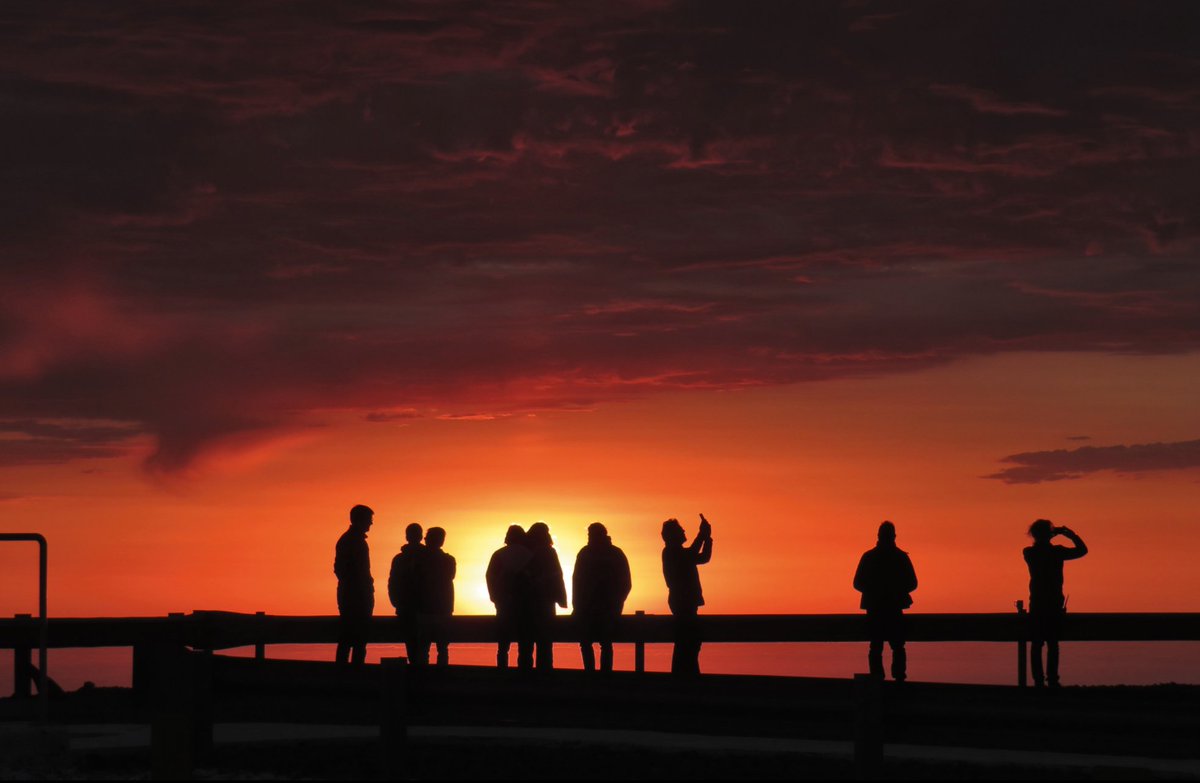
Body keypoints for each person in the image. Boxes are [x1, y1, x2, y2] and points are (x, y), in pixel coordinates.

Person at [1023, 519, 1088, 688]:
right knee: (1052, 643)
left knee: (1037, 644)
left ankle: (1038, 681)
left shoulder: (1029, 553)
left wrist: (1053, 533)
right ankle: (1052, 680)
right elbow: (1082, 550)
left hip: (1037, 602)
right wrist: (1070, 535)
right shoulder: (1057, 552)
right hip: (1053, 603)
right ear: (1050, 534)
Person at [853, 521, 918, 682]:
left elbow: (857, 583)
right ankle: (898, 680)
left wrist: (874, 591)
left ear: (878, 536)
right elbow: (912, 583)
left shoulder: (869, 557)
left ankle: (878, 681)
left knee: (877, 647)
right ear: (893, 536)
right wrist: (895, 591)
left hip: (875, 609)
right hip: (894, 609)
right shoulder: (900, 557)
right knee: (896, 647)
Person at [572, 523, 632, 673]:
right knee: (595, 643)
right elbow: (577, 582)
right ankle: (597, 676)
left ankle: (597, 676)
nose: (590, 538)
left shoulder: (592, 554)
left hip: (602, 609)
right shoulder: (612, 553)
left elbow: (625, 583)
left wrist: (616, 603)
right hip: (592, 609)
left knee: (599, 643)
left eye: (592, 535)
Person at [661, 514, 713, 676]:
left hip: (685, 601)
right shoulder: (671, 552)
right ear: (674, 535)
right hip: (682, 602)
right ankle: (684, 677)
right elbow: (692, 554)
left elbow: (703, 558)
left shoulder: (678, 553)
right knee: (687, 642)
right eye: (680, 530)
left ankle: (685, 675)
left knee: (689, 642)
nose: (684, 531)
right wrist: (702, 535)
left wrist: (707, 539)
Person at [486, 525, 533, 668]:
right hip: (526, 603)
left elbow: (490, 577)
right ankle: (525, 672)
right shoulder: (530, 554)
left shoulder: (499, 554)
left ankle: (502, 671)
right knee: (525, 643)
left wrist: (495, 598)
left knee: (503, 643)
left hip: (504, 602)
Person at [334, 504, 375, 666]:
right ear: (360, 520)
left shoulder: (350, 540)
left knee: (351, 639)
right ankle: (352, 675)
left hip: (352, 595)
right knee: (356, 639)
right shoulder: (352, 541)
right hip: (355, 597)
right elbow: (342, 569)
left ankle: (346, 674)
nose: (371, 524)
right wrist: (362, 587)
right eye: (369, 520)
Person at [525, 522, 568, 671]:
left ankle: (525, 673)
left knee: (527, 641)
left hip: (526, 602)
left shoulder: (525, 551)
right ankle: (545, 671)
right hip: (546, 601)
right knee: (544, 640)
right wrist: (561, 599)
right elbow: (557, 576)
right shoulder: (549, 552)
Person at [388, 523, 428, 666]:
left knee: (414, 645)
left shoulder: (400, 559)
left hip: (414, 608)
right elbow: (393, 582)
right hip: (416, 608)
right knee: (420, 647)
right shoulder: (426, 557)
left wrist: (396, 602)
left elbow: (392, 583)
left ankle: (418, 674)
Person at [423, 527, 456, 667]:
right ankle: (442, 674)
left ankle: (422, 675)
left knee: (423, 648)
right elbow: (450, 576)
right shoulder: (448, 560)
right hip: (443, 607)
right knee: (442, 647)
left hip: (424, 607)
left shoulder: (419, 559)